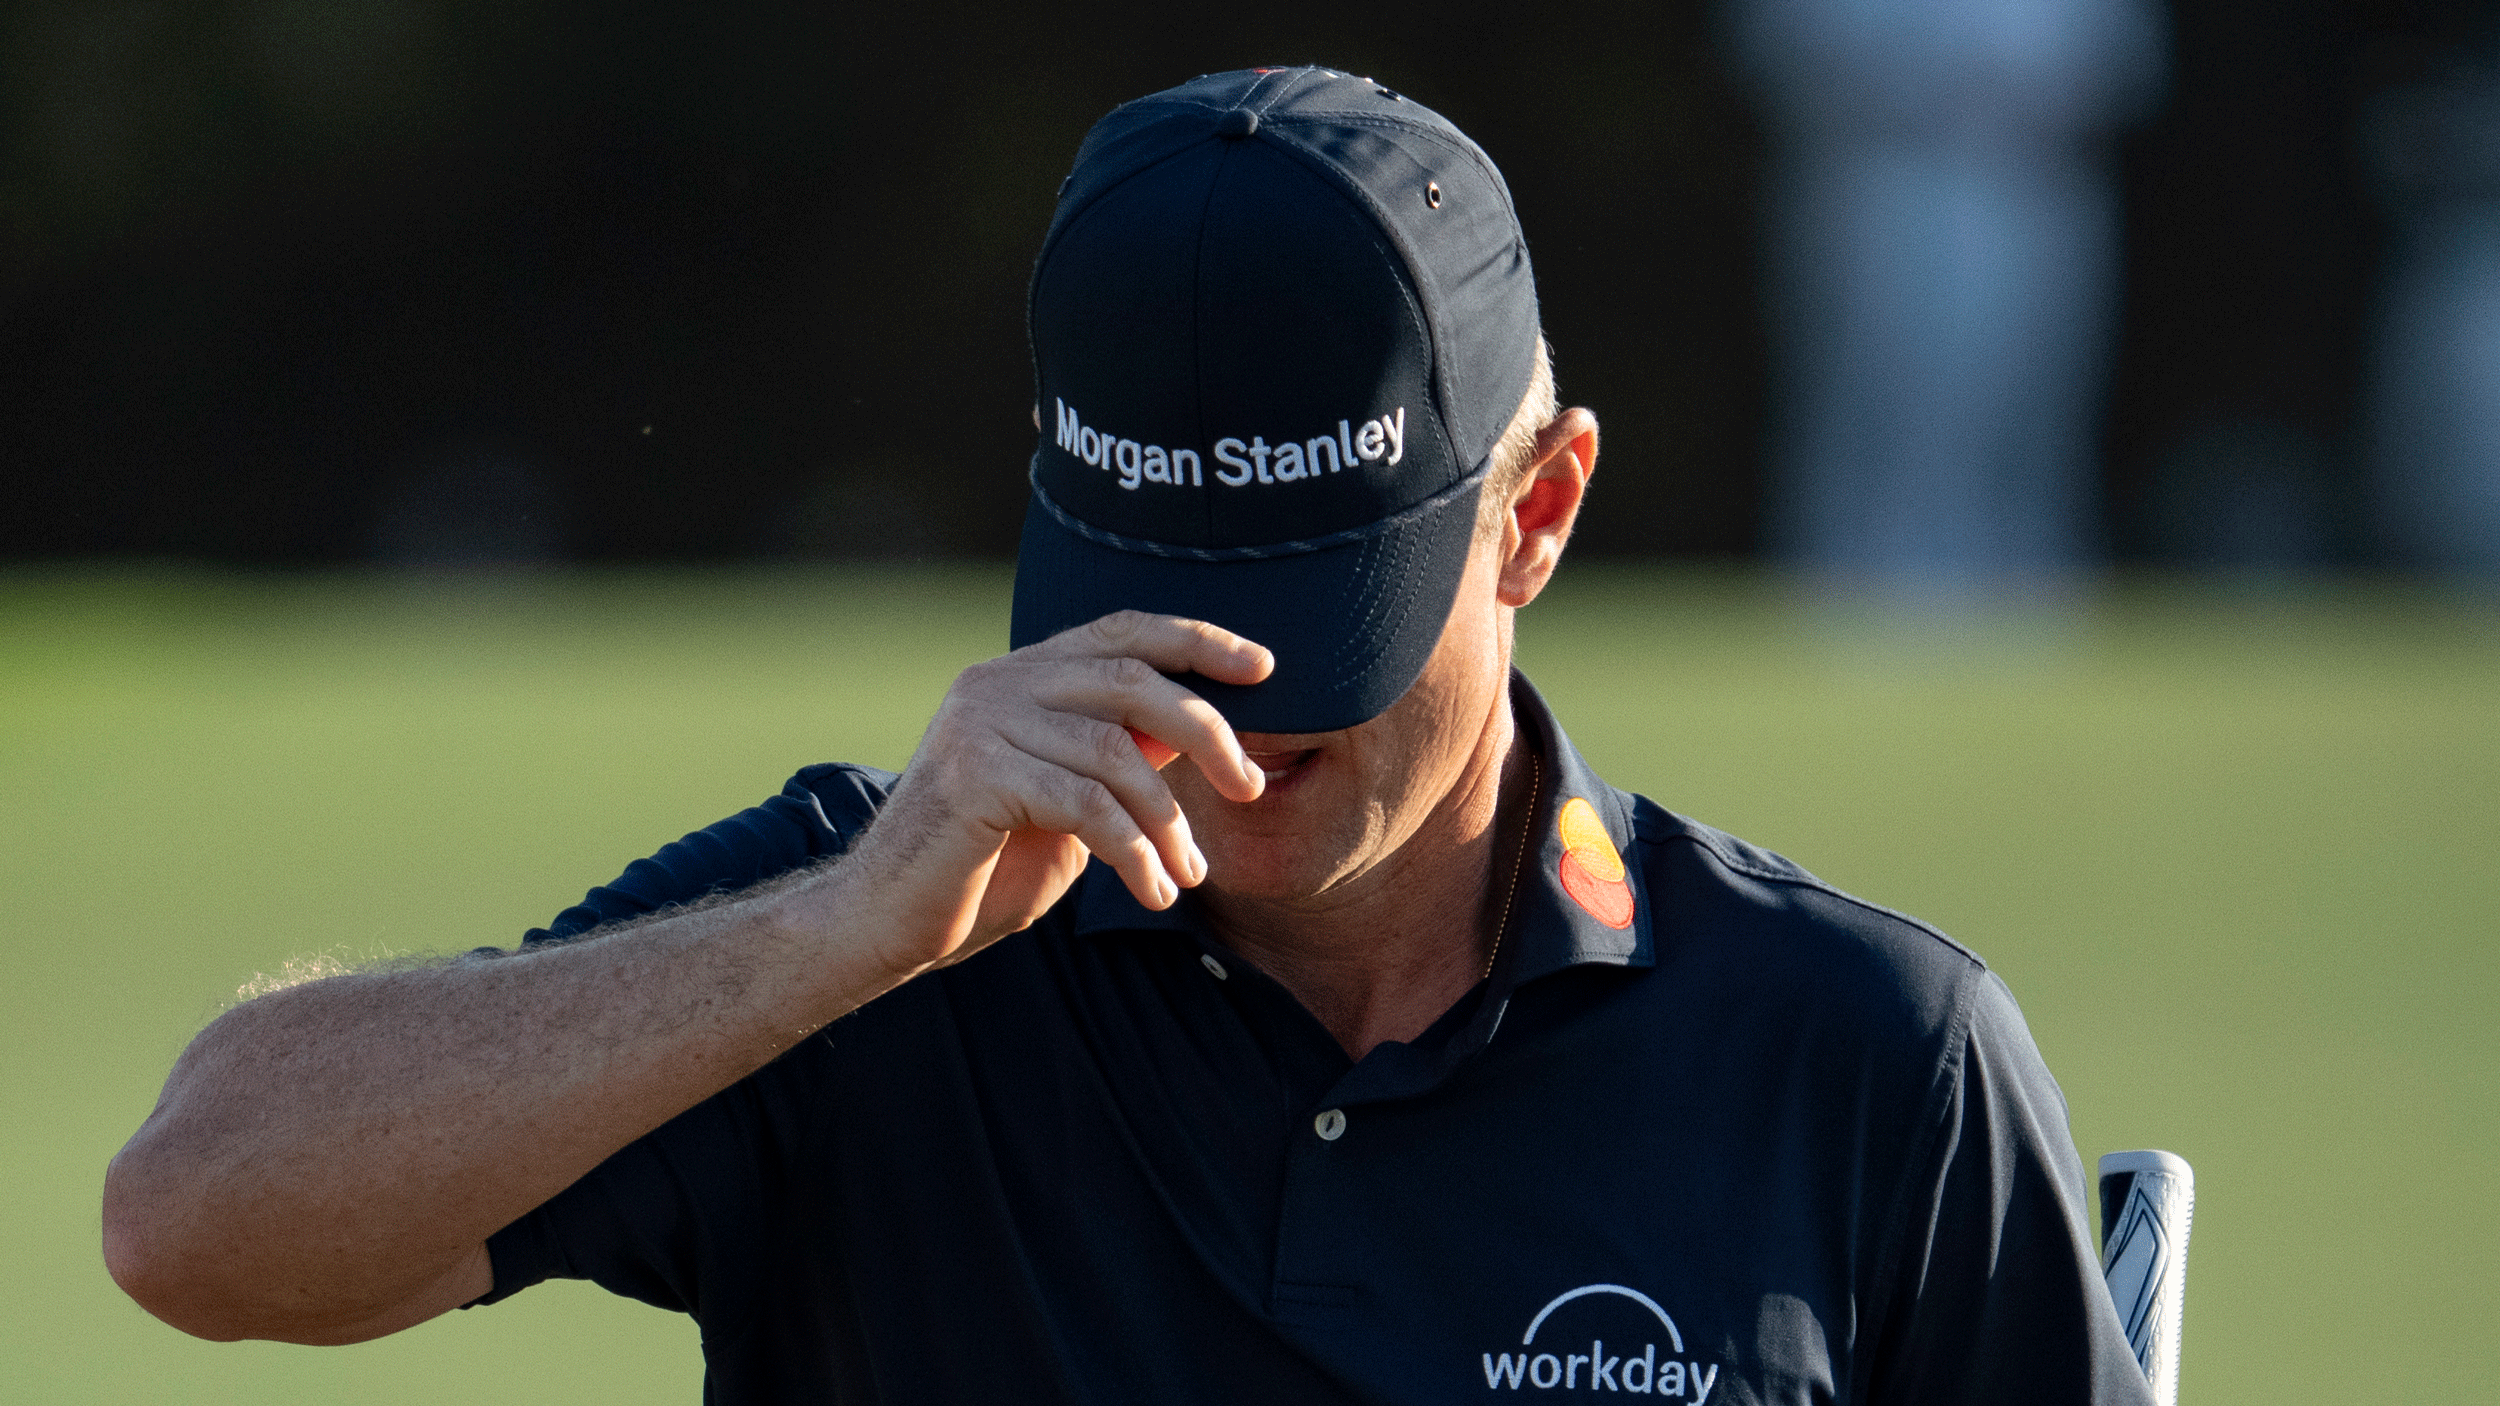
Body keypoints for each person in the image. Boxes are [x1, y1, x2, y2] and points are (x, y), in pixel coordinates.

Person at [103, 68, 2156, 1403]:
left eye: (1308, 619)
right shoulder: (866, 928)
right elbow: (194, 1218)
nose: (1220, 708)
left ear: (1535, 514)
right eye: (1151, 593)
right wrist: (830, 940)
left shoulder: (1868, 1056)